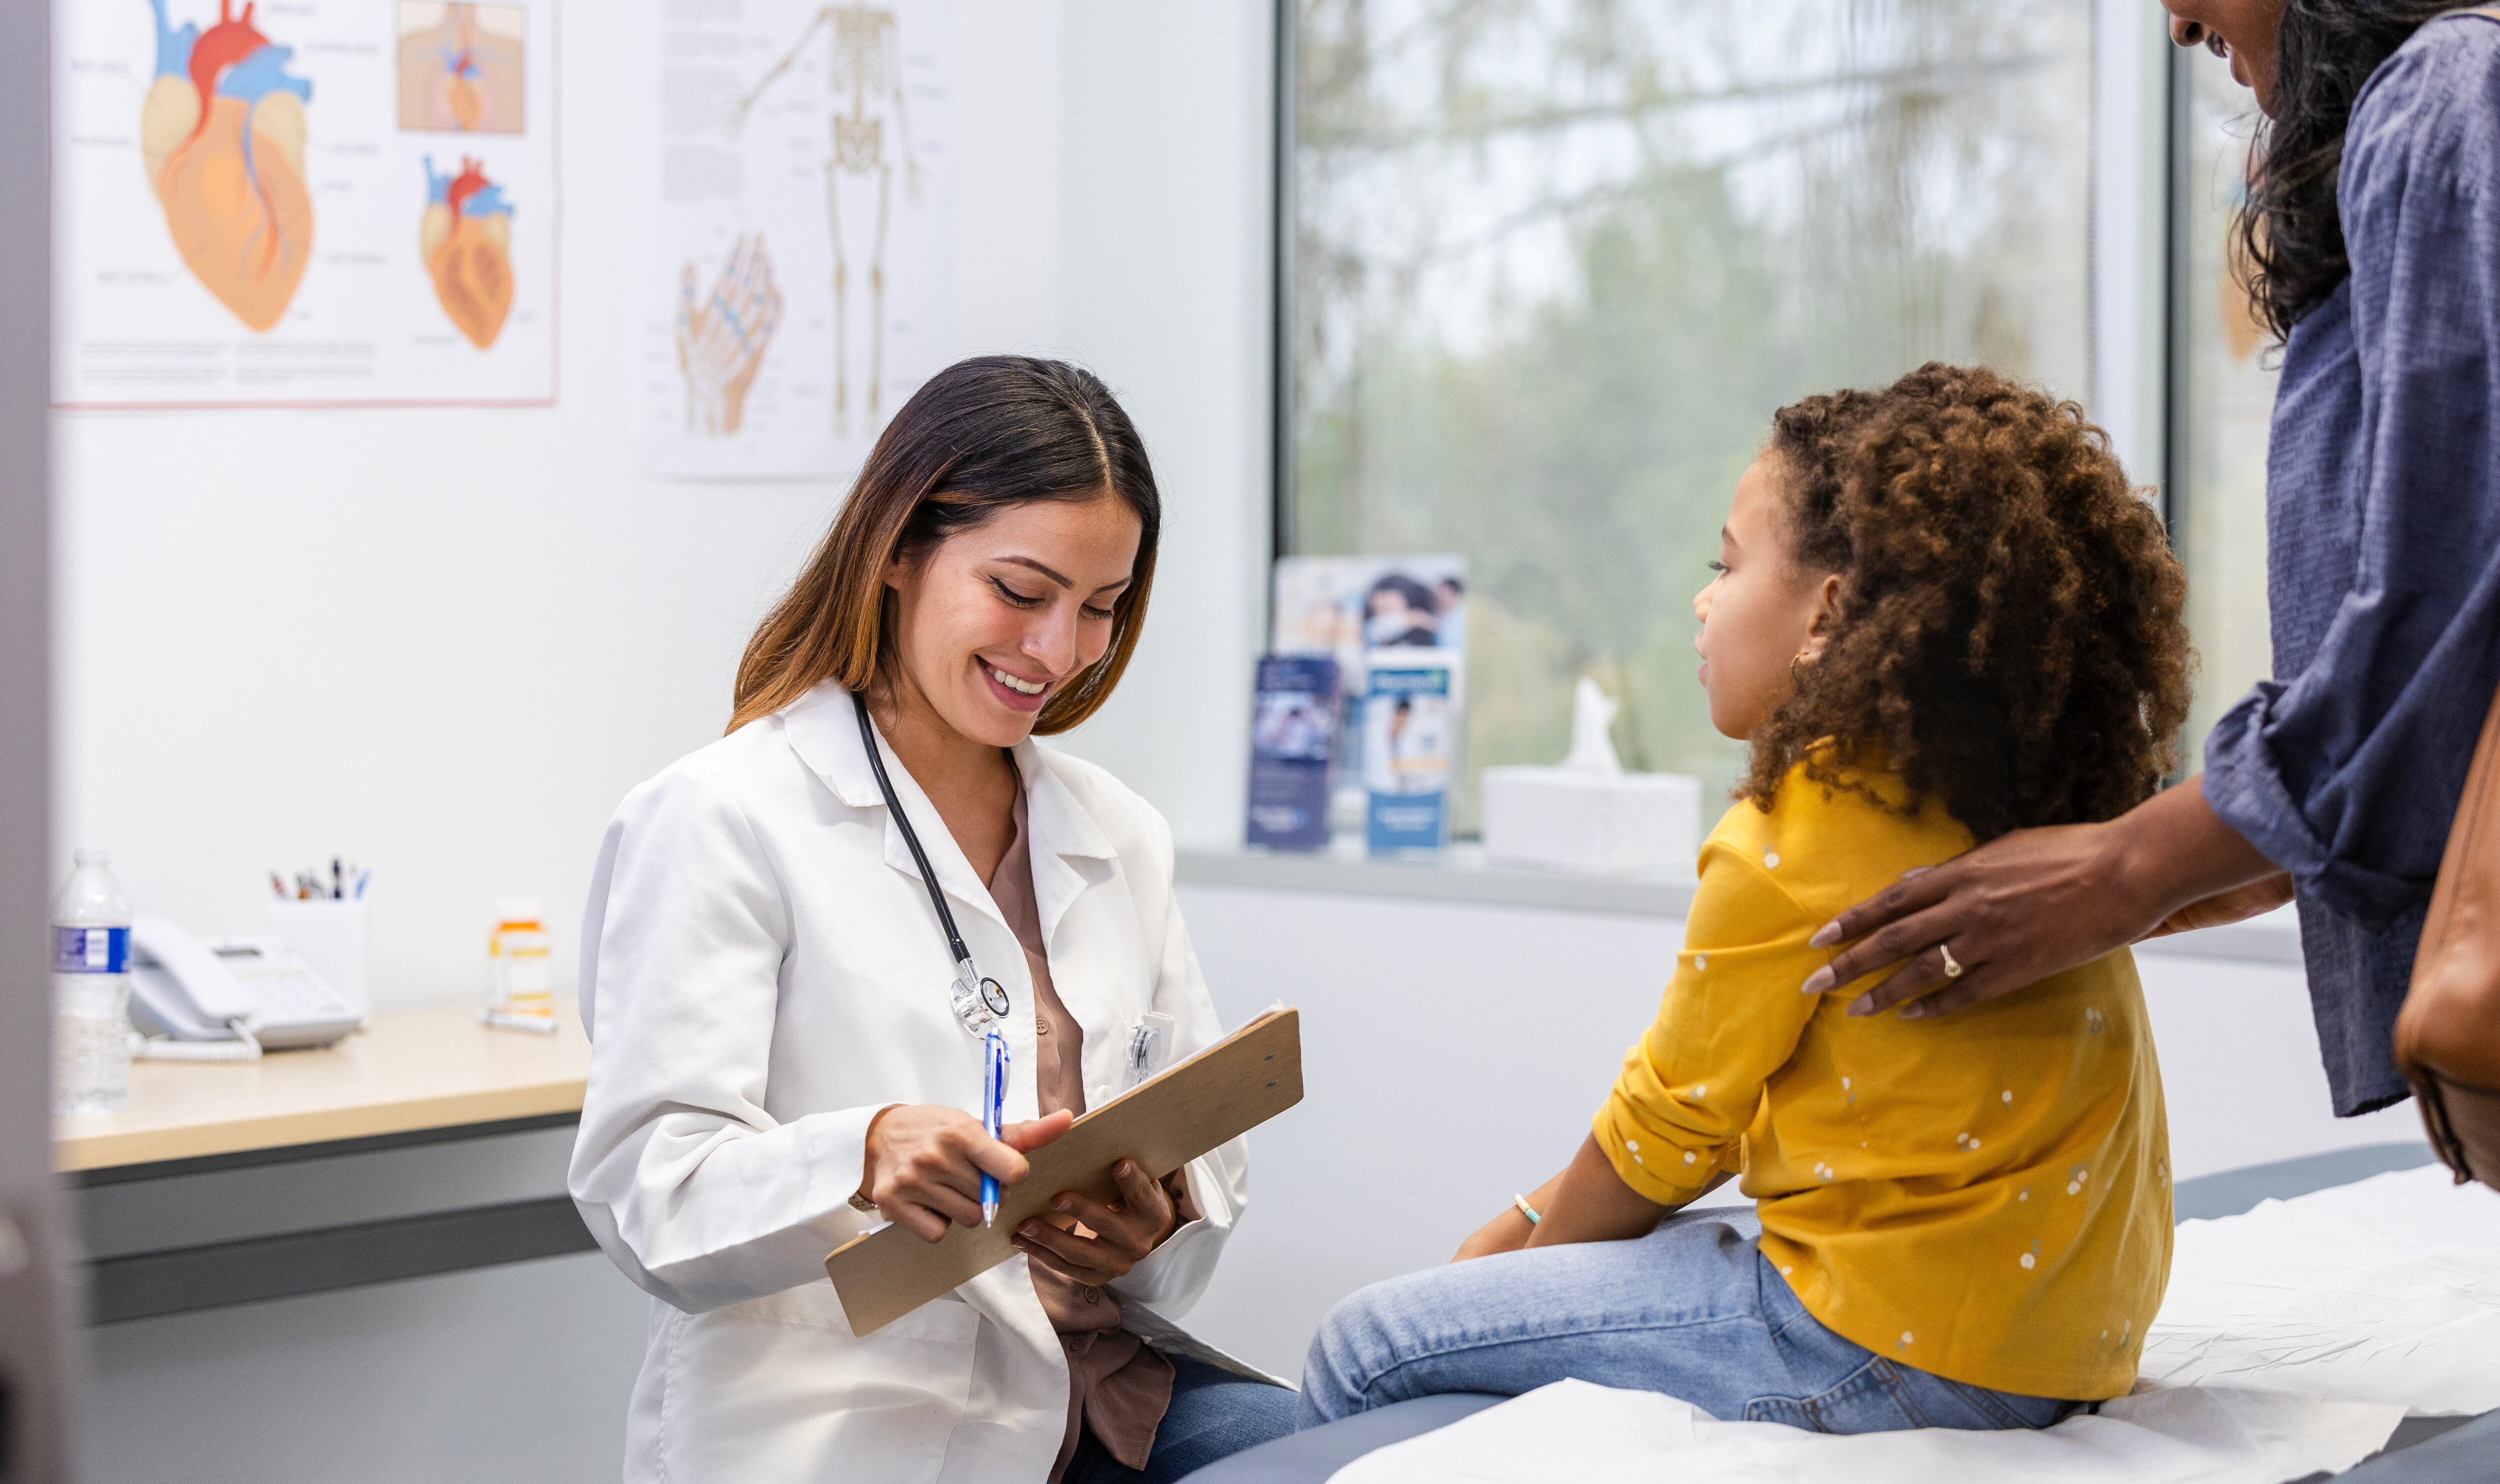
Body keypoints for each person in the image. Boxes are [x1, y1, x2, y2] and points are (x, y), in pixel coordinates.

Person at [1300, 368, 2185, 1432]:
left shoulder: (1798, 825)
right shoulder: (2005, 804)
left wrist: (1511, 1261)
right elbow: (1729, 1117)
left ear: (1828, 613)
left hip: (1896, 1345)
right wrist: (1527, 1223)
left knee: (1366, 1343)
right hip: (2064, 1336)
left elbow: (1668, 1126)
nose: (1702, 597)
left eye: (1724, 564)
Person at [1808, 0, 2500, 1122]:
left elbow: (2441, 611)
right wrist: (2255, 845)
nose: (2176, 25)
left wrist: (2130, 865)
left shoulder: (2446, 97)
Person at [569, 357, 1296, 1482]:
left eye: (1100, 608)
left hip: (1096, 1388)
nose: (1058, 650)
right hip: (852, 1424)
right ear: (901, 549)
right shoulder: (722, 816)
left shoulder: (1120, 833)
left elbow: (1213, 1170)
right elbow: (646, 1193)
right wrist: (859, 1153)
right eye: (1020, 590)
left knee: (1353, 1452)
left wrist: (1154, 1221)